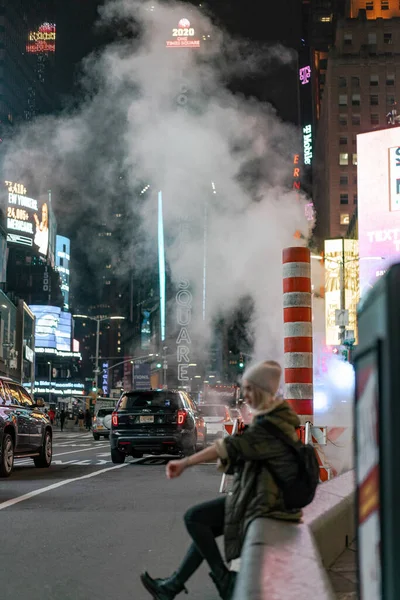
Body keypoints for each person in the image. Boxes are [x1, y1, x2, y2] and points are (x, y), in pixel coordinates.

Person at [140, 360, 302, 600]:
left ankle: (223, 580)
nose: (244, 395)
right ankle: (171, 586)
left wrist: (184, 463)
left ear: (261, 390)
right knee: (205, 529)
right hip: (265, 496)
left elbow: (227, 447)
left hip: (264, 503)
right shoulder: (277, 417)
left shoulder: (269, 425)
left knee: (194, 519)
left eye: (248, 389)